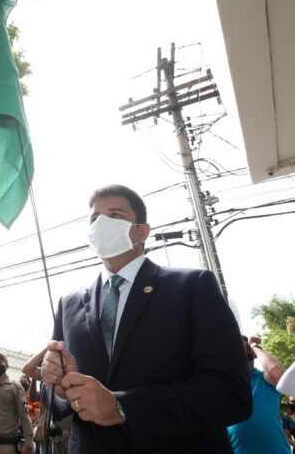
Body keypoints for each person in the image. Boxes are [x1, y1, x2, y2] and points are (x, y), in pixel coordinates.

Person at [38, 184, 252, 453]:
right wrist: (57, 389)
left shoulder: (192, 286)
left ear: (142, 231)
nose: (102, 224)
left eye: (115, 215)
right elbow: (53, 397)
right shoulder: (68, 303)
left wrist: (121, 408)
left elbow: (230, 393)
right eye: (95, 219)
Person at [227, 336, 289, 453]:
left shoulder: (265, 380)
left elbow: (275, 369)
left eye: (246, 348)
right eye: (235, 348)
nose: (241, 352)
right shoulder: (223, 387)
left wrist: (255, 346)